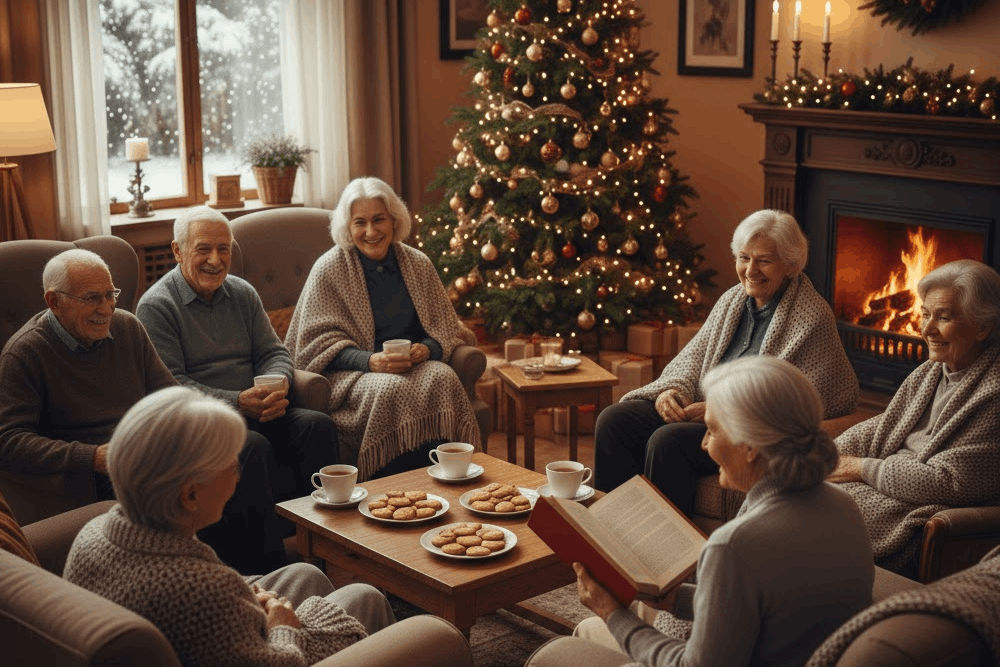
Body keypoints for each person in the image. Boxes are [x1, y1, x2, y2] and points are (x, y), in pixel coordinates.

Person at [529, 356, 873, 667]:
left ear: (750, 446)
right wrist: (674, 599)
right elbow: (763, 605)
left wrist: (611, 612)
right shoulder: (844, 507)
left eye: (712, 430)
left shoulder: (733, 547)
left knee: (578, 638)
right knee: (602, 624)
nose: (704, 443)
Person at [64, 386, 395, 667]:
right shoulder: (203, 590)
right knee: (366, 596)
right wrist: (283, 626)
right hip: (268, 648)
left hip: (207, 638)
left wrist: (243, 594)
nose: (239, 473)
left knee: (304, 575)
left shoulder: (94, 533)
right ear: (191, 494)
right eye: (230, 463)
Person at [0, 248, 284, 575]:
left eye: (111, 295)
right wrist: (90, 456)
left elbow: (171, 393)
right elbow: (8, 441)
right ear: (55, 301)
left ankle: (264, 573)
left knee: (246, 447)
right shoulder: (26, 353)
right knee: (182, 485)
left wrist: (207, 428)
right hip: (92, 473)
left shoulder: (127, 328)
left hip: (149, 445)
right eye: (93, 298)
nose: (106, 309)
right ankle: (203, 574)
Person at [594, 209, 858, 513]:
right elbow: (691, 359)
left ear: (791, 265)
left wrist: (725, 408)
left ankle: (667, 549)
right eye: (744, 257)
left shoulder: (812, 315)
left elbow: (800, 402)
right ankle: (610, 531)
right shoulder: (733, 299)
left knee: (669, 442)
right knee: (615, 421)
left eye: (765, 261)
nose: (750, 270)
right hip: (700, 410)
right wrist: (673, 391)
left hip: (744, 428)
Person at [284, 177, 480, 479]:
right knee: (390, 389)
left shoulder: (418, 263)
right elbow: (312, 344)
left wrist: (428, 348)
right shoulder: (329, 268)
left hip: (413, 366)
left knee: (444, 376)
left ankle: (451, 478)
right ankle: (389, 487)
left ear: (394, 220)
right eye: (360, 222)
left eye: (379, 220)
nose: (371, 231)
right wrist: (369, 361)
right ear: (348, 228)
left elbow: (445, 325)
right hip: (351, 374)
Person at [136, 206, 335, 501]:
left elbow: (274, 352)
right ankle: (270, 546)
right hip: (202, 421)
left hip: (259, 410)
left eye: (223, 249)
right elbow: (171, 385)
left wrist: (277, 385)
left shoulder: (243, 293)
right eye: (203, 249)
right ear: (177, 251)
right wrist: (238, 402)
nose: (215, 260)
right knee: (252, 445)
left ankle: (323, 535)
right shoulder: (156, 306)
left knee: (318, 426)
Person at [829, 259, 1000, 578]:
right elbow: (883, 426)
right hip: (892, 479)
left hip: (924, 500)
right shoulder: (930, 372)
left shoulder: (993, 394)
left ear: (983, 327)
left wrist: (857, 467)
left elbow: (950, 482)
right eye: (925, 314)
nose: (926, 329)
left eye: (944, 317)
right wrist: (830, 455)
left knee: (815, 503)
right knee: (794, 484)